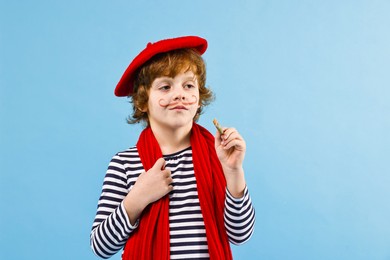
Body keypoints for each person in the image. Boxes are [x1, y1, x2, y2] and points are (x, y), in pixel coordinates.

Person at [90, 36, 255, 260]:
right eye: (165, 86)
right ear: (141, 100)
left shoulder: (219, 156)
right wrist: (137, 198)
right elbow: (101, 247)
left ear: (198, 98)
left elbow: (240, 234)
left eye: (188, 85)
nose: (180, 94)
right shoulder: (124, 163)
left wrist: (234, 171)